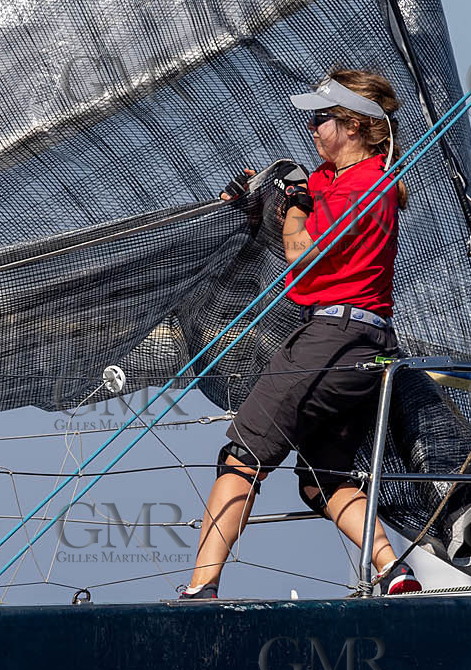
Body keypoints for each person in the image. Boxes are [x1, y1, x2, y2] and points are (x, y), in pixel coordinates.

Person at [178, 68, 422, 599]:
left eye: (322, 118)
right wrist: (259, 187)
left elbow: (300, 251)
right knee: (323, 480)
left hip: (332, 339)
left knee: (241, 455)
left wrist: (292, 207)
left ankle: (200, 592)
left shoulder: (363, 186)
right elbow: (300, 187)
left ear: (354, 126)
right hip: (368, 345)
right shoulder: (343, 177)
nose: (312, 127)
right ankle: (393, 572)